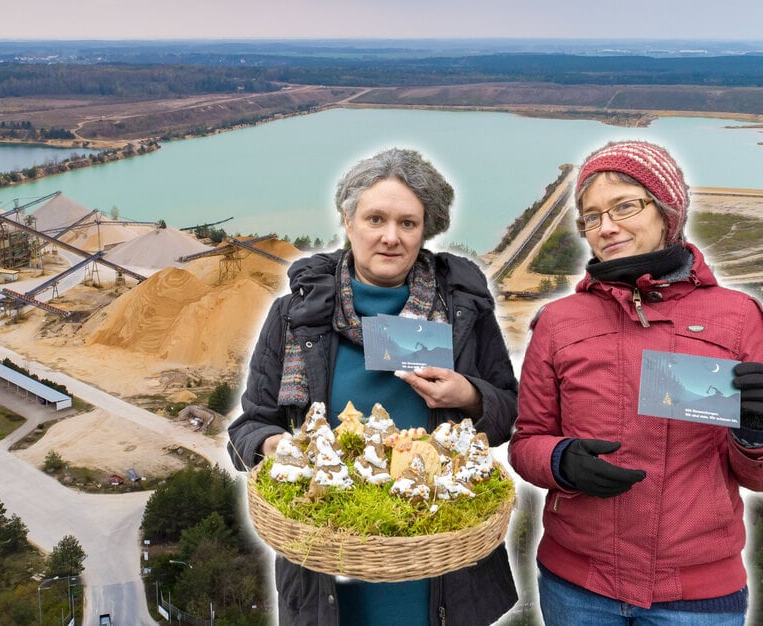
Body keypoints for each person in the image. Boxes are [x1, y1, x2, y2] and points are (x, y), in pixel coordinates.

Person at [227, 148, 519, 626]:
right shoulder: (295, 317)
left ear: (427, 229)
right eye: (375, 218)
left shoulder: (464, 311)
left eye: (408, 223)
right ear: (347, 219)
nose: (390, 237)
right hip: (330, 566)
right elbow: (249, 427)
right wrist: (276, 445)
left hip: (441, 565)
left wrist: (468, 395)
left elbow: (511, 412)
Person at [508, 140, 763, 625]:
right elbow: (527, 442)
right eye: (591, 216)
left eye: (624, 206)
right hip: (577, 586)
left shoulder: (738, 318)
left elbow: (756, 476)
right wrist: (561, 462)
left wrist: (755, 432)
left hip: (697, 595)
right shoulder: (559, 321)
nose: (606, 227)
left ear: (667, 211)